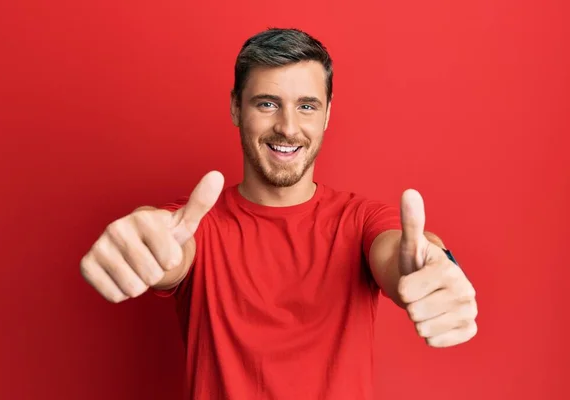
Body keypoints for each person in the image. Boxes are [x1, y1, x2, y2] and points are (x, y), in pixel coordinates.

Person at [80, 28, 478, 400]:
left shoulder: (360, 220)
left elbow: (400, 253)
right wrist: (140, 240)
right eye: (267, 104)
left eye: (307, 106)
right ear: (236, 107)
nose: (288, 128)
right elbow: (165, 246)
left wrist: (432, 266)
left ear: (326, 115)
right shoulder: (193, 226)